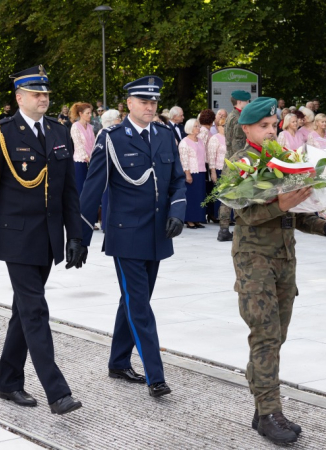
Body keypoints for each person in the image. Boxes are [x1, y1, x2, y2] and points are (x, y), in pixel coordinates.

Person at [231, 97, 326, 445]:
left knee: (277, 335)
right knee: (265, 334)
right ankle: (270, 412)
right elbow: (246, 215)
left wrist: (324, 226)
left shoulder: (282, 161)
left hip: (285, 260)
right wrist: (279, 202)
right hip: (253, 261)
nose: (271, 131)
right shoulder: (240, 164)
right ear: (247, 129)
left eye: (274, 125)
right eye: (264, 126)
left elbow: (294, 215)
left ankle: (261, 407)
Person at [0, 65, 86, 415]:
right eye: (36, 94)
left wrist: (76, 235)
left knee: (23, 312)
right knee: (35, 310)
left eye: (46, 93)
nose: (43, 98)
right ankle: (57, 392)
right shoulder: (0, 134)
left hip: (49, 239)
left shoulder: (59, 130)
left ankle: (8, 383)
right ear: (19, 98)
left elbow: (69, 191)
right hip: (16, 239)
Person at [79, 75, 186, 398]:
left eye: (154, 102)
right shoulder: (112, 137)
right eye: (144, 101)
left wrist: (177, 213)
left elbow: (178, 181)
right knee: (139, 305)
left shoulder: (166, 135)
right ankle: (156, 376)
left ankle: (117, 361)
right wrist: (80, 237)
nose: (151, 107)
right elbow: (92, 189)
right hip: (126, 236)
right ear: (129, 104)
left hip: (157, 235)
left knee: (133, 300)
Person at [218, 90, 250, 242]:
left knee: (227, 195)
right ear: (239, 102)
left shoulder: (231, 116)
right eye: (247, 101)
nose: (248, 104)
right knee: (237, 194)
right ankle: (234, 228)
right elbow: (238, 143)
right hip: (236, 161)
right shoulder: (238, 119)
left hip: (229, 160)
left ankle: (224, 229)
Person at [179, 119, 207, 228]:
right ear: (190, 128)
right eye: (196, 126)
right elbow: (184, 160)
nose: (198, 128)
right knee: (191, 197)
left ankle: (198, 219)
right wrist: (187, 174)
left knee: (200, 197)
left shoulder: (200, 140)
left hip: (201, 171)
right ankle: (190, 220)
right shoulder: (184, 142)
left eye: (199, 126)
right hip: (191, 172)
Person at [70, 102, 95, 194]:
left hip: (91, 161)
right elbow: (78, 145)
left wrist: (94, 158)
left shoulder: (90, 127)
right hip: (80, 162)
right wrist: (88, 159)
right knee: (81, 189)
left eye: (90, 113)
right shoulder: (75, 126)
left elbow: (93, 144)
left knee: (90, 189)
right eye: (87, 113)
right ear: (80, 114)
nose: (90, 115)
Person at [206, 116, 227, 223]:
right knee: (219, 193)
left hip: (229, 169)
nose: (225, 127)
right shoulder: (215, 138)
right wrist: (213, 172)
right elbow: (211, 157)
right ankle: (218, 216)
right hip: (219, 169)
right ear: (218, 127)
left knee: (228, 193)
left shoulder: (229, 137)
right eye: (223, 126)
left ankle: (228, 217)